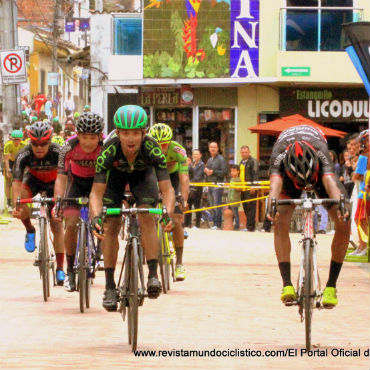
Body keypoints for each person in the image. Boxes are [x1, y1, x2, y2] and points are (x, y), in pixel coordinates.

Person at [89, 105, 175, 311]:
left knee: (147, 217)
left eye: (136, 133)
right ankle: (110, 287)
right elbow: (96, 193)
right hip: (115, 182)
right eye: (125, 133)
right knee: (112, 225)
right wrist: (96, 216)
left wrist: (167, 213)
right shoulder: (108, 150)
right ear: (117, 133)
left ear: (144, 133)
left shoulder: (152, 149)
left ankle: (153, 275)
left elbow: (167, 189)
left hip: (143, 179)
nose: (130, 139)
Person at [267, 125, 350, 308]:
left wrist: (340, 203)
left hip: (319, 176)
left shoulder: (320, 150)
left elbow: (329, 181)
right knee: (280, 220)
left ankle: (331, 286)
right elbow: (274, 187)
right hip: (288, 179)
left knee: (344, 220)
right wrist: (270, 205)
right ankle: (287, 284)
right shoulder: (278, 157)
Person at [53, 112, 104, 292]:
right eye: (83, 137)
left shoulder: (106, 146)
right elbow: (61, 177)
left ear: (100, 136)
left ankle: (100, 248)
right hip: (76, 183)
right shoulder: (68, 147)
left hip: (98, 183)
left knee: (102, 216)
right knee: (72, 223)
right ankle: (70, 271)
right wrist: (58, 201)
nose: (88, 142)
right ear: (77, 135)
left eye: (92, 137)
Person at [12, 121, 65, 285]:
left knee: (56, 223)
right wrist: (17, 205)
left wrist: (59, 203)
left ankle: (60, 268)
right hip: (33, 181)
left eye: (43, 144)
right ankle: (30, 229)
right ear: (30, 142)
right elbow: (16, 181)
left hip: (54, 183)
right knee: (22, 203)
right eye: (35, 144)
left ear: (50, 142)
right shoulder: (23, 154)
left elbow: (65, 179)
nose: (39, 148)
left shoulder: (58, 152)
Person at [148, 123, 190, 281]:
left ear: (170, 142)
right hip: (153, 178)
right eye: (156, 144)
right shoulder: (145, 149)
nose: (160, 148)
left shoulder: (178, 150)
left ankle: (179, 263)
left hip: (172, 179)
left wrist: (183, 199)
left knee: (176, 220)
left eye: (163, 145)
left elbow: (184, 178)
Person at [348, 130, 369, 256]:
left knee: (359, 219)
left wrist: (354, 174)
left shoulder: (363, 157)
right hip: (364, 192)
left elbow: (357, 176)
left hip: (363, 194)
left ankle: (363, 246)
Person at [204, 141, 227, 230]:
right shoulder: (210, 160)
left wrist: (213, 172)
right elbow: (207, 171)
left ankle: (218, 224)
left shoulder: (221, 159)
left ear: (217, 149)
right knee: (212, 205)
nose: (213, 149)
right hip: (210, 184)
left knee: (217, 205)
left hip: (217, 184)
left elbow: (224, 172)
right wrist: (206, 170)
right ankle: (214, 223)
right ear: (209, 149)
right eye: (211, 147)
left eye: (215, 147)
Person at [3, 130, 26, 210]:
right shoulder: (8, 145)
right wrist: (8, 170)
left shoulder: (24, 145)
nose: (16, 141)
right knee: (8, 182)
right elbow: (6, 160)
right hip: (10, 161)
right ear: (12, 139)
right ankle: (8, 202)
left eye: (18, 139)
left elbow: (25, 160)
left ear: (21, 139)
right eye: (14, 139)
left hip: (18, 161)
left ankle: (19, 200)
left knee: (20, 182)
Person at [239, 145, 259, 232]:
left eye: (245, 152)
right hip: (243, 189)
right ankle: (250, 225)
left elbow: (255, 174)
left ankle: (250, 227)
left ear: (249, 152)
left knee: (251, 208)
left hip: (251, 188)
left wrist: (253, 186)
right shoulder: (241, 162)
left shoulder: (253, 161)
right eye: (242, 152)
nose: (244, 154)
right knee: (245, 207)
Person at [184, 149, 205, 229]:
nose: (195, 156)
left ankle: (197, 224)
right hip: (189, 188)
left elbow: (198, 177)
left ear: (200, 155)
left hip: (197, 188)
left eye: (197, 154)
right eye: (194, 154)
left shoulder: (201, 164)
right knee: (188, 205)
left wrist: (189, 181)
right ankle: (187, 223)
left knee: (197, 206)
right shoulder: (191, 164)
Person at [228, 164, 242, 230]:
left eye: (234, 171)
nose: (232, 173)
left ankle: (237, 226)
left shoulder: (239, 179)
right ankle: (230, 225)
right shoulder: (231, 179)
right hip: (230, 199)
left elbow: (240, 189)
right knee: (231, 214)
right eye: (231, 171)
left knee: (235, 214)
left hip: (235, 200)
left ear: (238, 171)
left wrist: (234, 187)